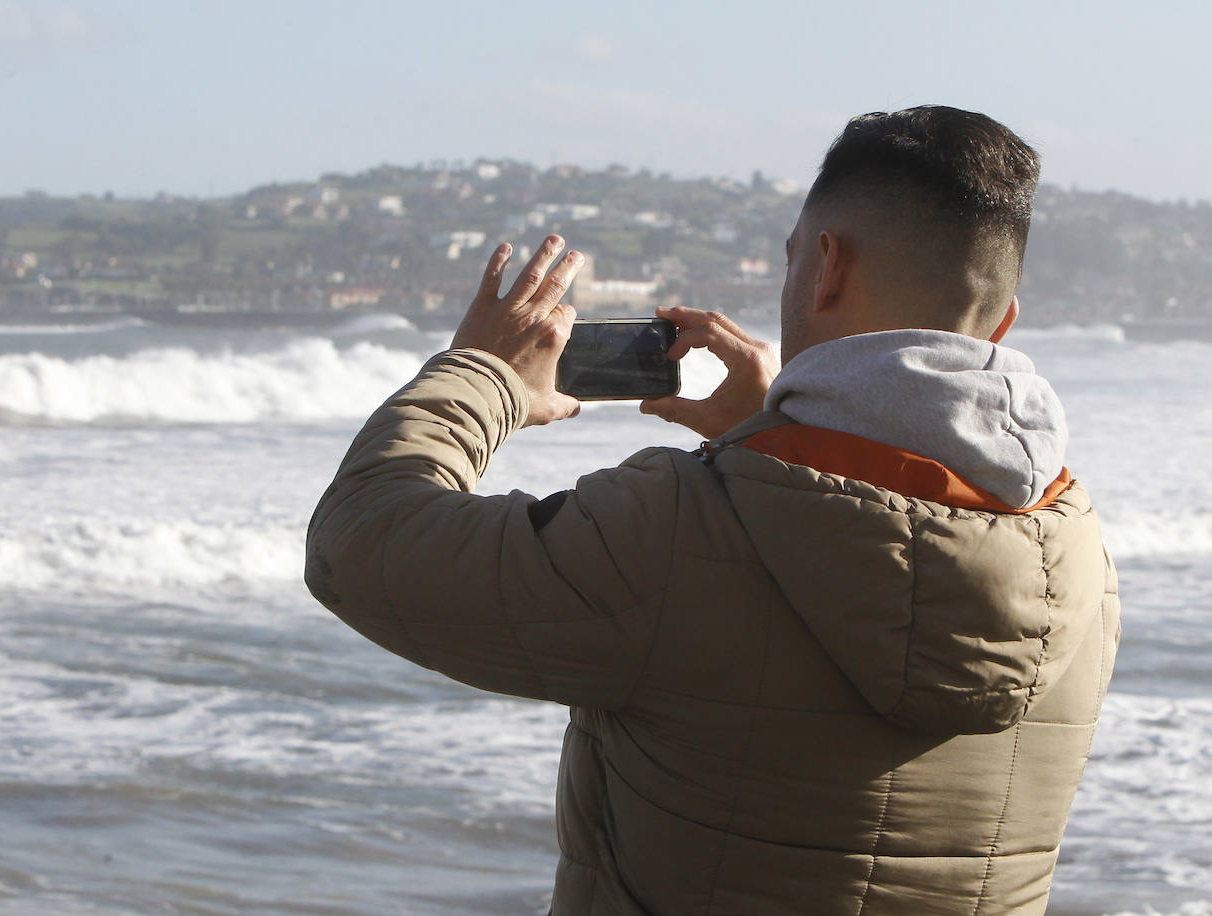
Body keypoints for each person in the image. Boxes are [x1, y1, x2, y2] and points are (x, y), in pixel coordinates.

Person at [305, 106, 1119, 915]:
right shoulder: (1075, 561)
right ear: (1001, 321)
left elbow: (362, 541)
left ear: (827, 267)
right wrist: (776, 436)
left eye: (794, 260)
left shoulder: (673, 534)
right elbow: (883, 530)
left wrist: (483, 373)